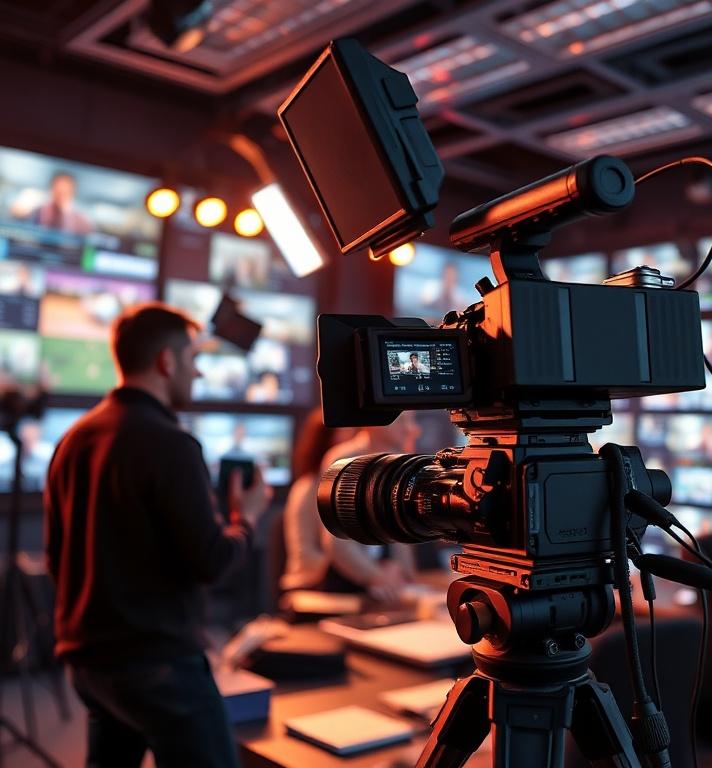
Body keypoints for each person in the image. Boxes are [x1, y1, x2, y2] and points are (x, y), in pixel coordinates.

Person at [44, 302, 271, 768]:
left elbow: (55, 557)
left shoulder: (75, 438)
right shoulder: (170, 443)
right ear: (168, 361)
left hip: (89, 663)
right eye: (193, 360)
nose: (199, 373)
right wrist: (245, 519)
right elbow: (211, 561)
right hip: (159, 665)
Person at [281, 409, 422, 603]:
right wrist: (377, 575)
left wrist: (402, 575)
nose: (412, 429)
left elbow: (397, 532)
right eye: (402, 421)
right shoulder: (342, 462)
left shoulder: (396, 462)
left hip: (360, 582)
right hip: (324, 587)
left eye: (411, 421)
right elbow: (336, 544)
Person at [29, 171, 92, 235]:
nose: (60, 197)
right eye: (58, 192)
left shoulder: (81, 222)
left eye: (65, 193)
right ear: (51, 189)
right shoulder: (37, 212)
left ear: (72, 193)